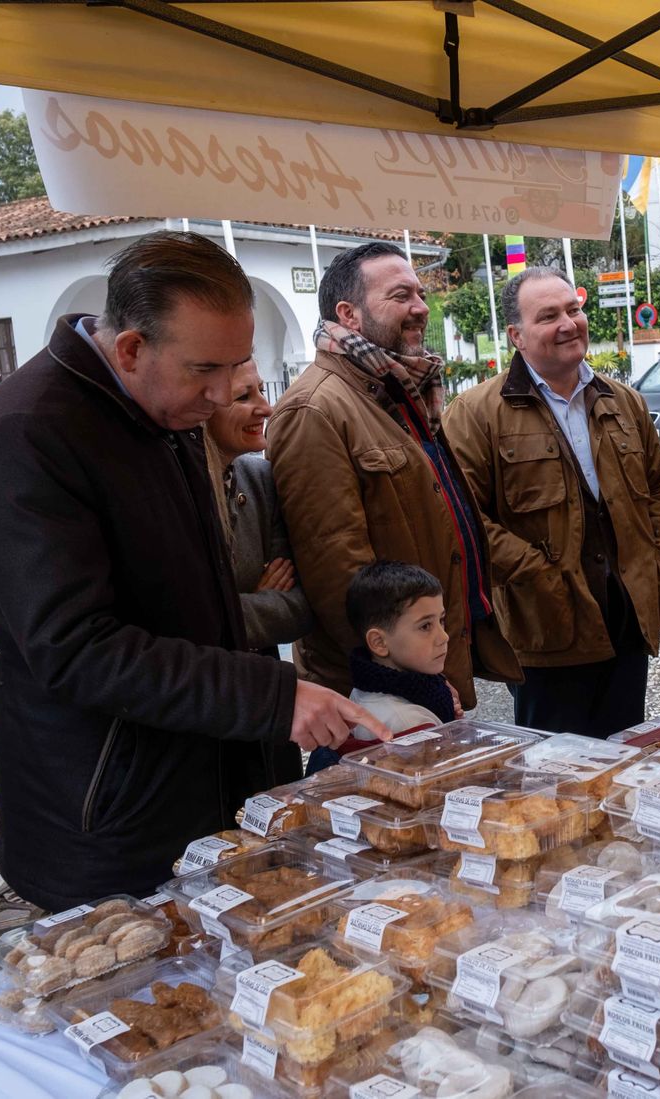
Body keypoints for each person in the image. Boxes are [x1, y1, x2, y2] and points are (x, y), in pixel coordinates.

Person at [0, 231, 385, 909]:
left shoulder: (162, 406)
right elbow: (78, 648)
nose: (223, 392)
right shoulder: (25, 435)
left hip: (208, 789)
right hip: (111, 820)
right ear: (130, 349)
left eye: (237, 365)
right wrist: (271, 697)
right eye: (204, 369)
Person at [268, 242, 519, 710]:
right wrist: (401, 680)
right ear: (349, 314)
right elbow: (337, 571)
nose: (421, 308)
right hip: (384, 689)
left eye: (421, 295)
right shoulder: (316, 409)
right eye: (401, 296)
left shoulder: (402, 390)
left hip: (423, 667)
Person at [445, 267, 660, 735]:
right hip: (545, 629)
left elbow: (659, 483)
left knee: (624, 756)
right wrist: (534, 573)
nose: (569, 324)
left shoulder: (623, 401)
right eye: (548, 316)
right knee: (558, 777)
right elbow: (463, 518)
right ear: (516, 335)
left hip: (627, 618)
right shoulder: (475, 414)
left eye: (573, 309)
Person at [203, 358, 315, 656]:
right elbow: (177, 618)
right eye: (243, 396)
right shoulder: (176, 491)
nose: (267, 408)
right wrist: (259, 602)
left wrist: (229, 612)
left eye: (262, 391)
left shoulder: (261, 479)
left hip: (260, 683)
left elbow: (299, 608)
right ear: (202, 409)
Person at [304, 561, 461, 773]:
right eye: (425, 626)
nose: (444, 636)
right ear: (379, 643)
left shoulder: (368, 689)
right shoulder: (406, 723)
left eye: (441, 620)